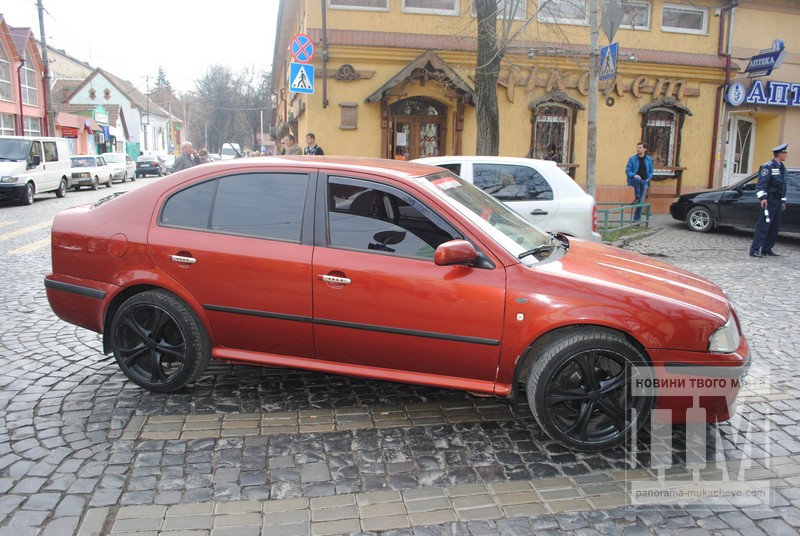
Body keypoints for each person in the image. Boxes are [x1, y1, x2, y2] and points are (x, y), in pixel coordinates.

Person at [749, 143, 788, 258]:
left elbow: (783, 186)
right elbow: (761, 184)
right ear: (779, 154)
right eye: (785, 153)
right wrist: (763, 198)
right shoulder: (768, 167)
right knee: (763, 226)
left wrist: (783, 201)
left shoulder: (782, 168)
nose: (786, 155)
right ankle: (755, 249)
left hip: (778, 201)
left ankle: (767, 249)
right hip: (769, 200)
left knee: (774, 227)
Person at [625, 142, 654, 221]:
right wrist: (634, 175)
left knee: (641, 202)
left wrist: (649, 178)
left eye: (640, 148)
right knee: (638, 180)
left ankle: (636, 221)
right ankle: (637, 196)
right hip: (635, 180)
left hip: (645, 181)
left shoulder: (648, 159)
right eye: (637, 148)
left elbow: (651, 171)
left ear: (645, 149)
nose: (638, 149)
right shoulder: (632, 159)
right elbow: (628, 171)